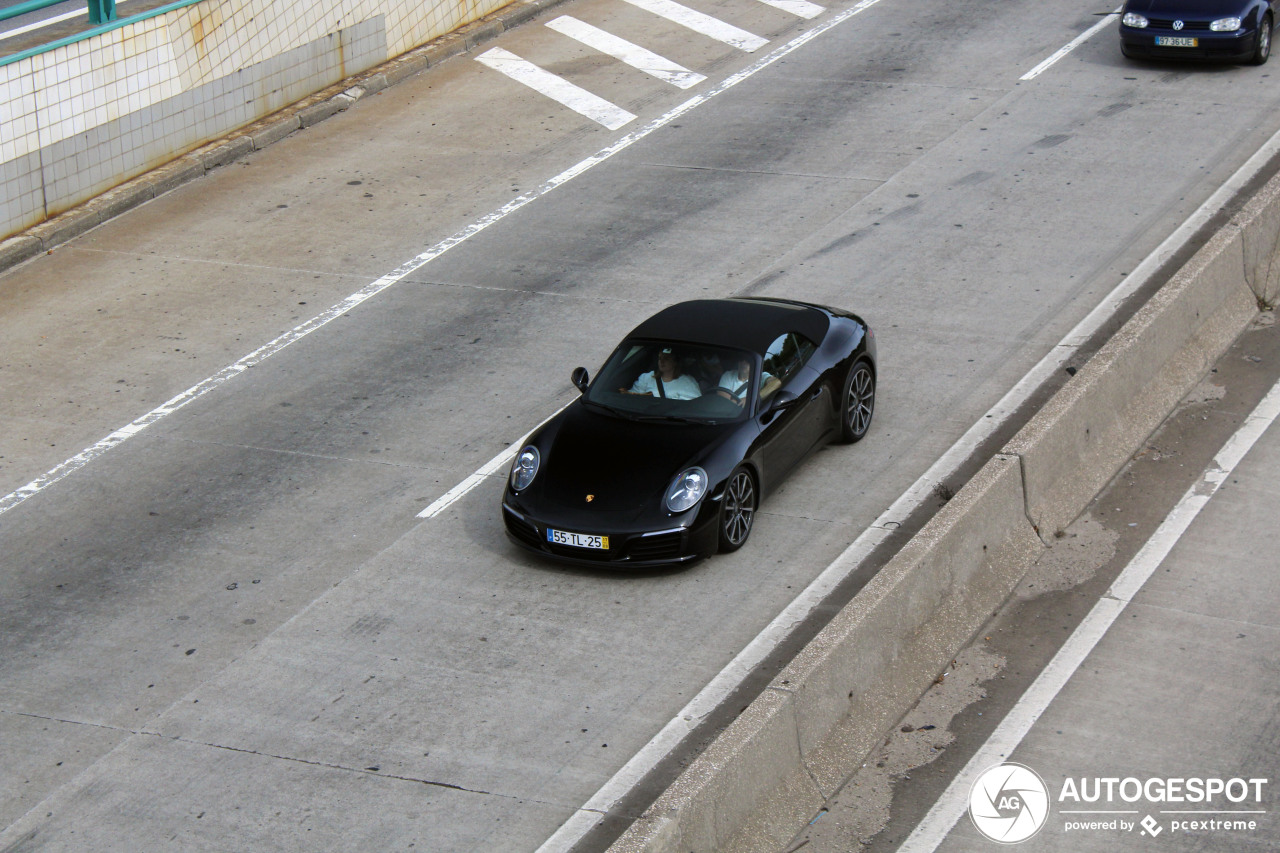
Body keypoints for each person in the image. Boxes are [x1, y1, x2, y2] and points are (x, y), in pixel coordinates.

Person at [623, 348, 702, 400]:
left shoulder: (687, 382)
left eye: (666, 359)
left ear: (675, 362)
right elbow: (632, 398)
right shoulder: (646, 378)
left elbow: (692, 406)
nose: (662, 361)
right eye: (660, 358)